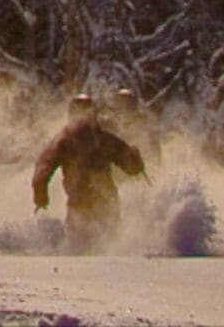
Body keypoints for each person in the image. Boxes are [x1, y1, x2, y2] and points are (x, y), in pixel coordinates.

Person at [33, 92, 144, 245]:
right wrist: (41, 195)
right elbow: (43, 168)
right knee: (87, 243)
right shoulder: (65, 142)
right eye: (81, 115)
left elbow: (132, 167)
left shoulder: (102, 140)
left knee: (103, 242)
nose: (84, 121)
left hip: (102, 202)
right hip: (83, 204)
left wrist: (134, 158)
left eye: (87, 115)